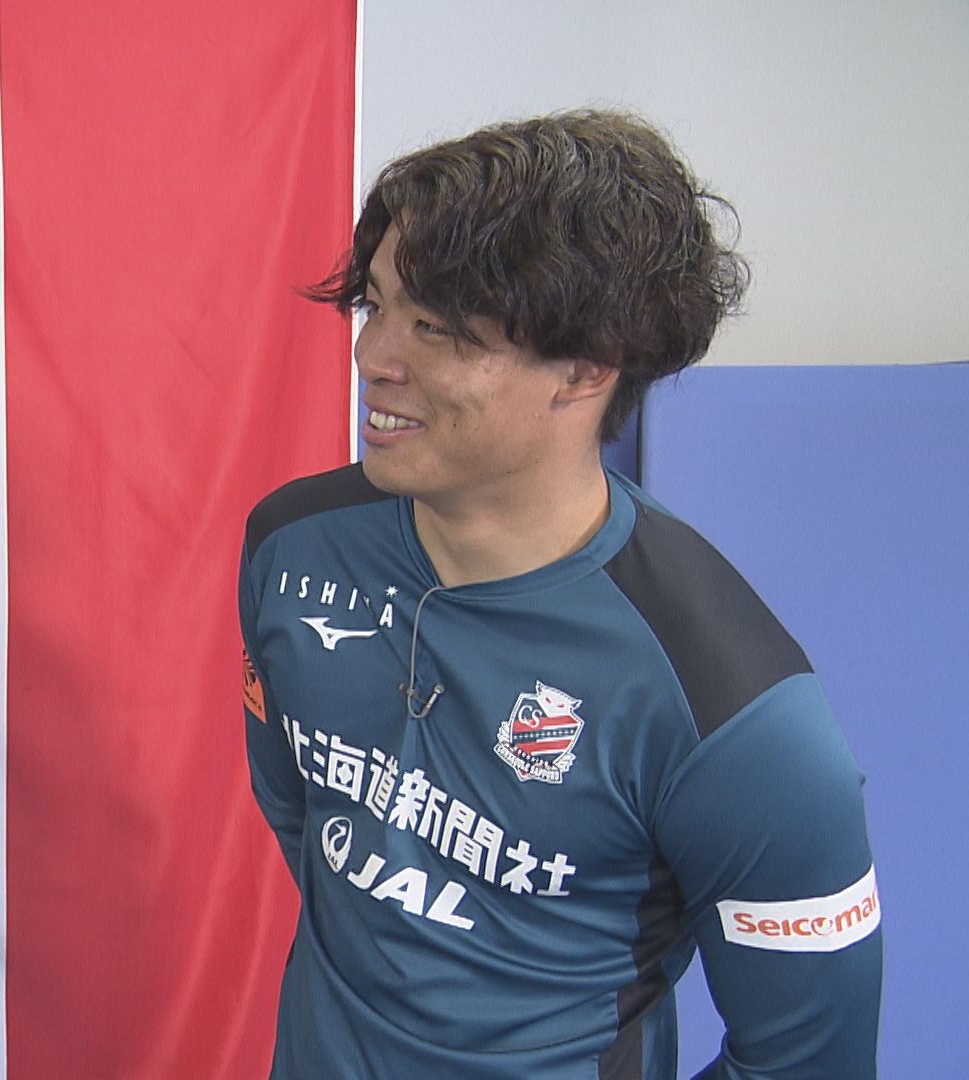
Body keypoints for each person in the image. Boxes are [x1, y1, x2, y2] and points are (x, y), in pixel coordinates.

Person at [239, 111, 881, 1079]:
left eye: (438, 328)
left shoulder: (735, 713)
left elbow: (810, 1064)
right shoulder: (291, 545)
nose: (374, 357)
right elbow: (303, 818)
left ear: (585, 367)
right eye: (376, 304)